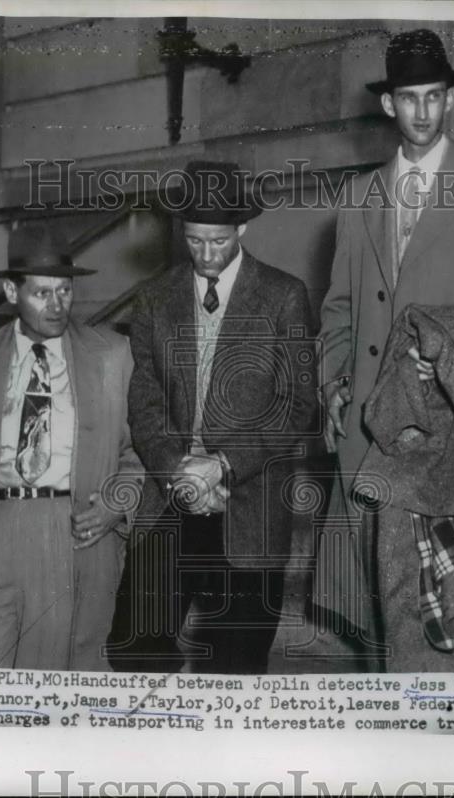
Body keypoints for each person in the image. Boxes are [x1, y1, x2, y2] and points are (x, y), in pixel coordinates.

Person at [316, 29, 454, 671]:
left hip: (446, 442)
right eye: (409, 98)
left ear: (451, 100)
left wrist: (447, 347)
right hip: (370, 439)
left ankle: (440, 759)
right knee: (385, 624)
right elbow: (338, 309)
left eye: (434, 97)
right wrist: (334, 381)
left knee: (439, 628)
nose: (422, 112)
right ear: (389, 105)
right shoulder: (358, 196)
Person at [107, 160, 318, 674]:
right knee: (132, 650)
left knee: (235, 670)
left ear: (241, 228)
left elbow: (296, 406)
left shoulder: (284, 296)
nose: (206, 254)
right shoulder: (154, 298)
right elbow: (146, 399)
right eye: (195, 241)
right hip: (172, 498)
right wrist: (178, 470)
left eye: (218, 242)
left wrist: (221, 464)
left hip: (249, 509)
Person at [0, 223, 143, 670]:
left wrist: (117, 503)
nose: (57, 306)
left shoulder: (113, 357)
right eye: (42, 293)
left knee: (54, 696)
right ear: (12, 292)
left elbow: (142, 455)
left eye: (65, 291)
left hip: (72, 533)